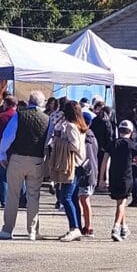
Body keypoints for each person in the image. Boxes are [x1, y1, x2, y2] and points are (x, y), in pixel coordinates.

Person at [0, 91, 50, 240]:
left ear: (29, 101)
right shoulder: (47, 119)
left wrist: (2, 154)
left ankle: (7, 230)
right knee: (33, 196)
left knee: (12, 195)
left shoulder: (19, 115)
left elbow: (8, 136)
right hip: (37, 160)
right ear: (42, 103)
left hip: (17, 159)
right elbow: (48, 141)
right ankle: (32, 231)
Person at [49, 101, 88, 241]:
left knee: (65, 197)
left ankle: (74, 227)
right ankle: (77, 227)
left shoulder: (71, 126)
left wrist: (59, 140)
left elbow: (74, 146)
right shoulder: (80, 126)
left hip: (72, 165)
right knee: (73, 198)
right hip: (80, 164)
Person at [109, 120, 137, 241]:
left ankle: (124, 227)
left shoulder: (113, 143)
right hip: (126, 176)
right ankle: (116, 227)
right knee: (122, 203)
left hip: (113, 176)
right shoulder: (133, 145)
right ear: (131, 132)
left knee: (119, 202)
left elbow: (105, 160)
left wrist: (102, 177)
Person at [0, 95, 20, 208]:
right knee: (19, 176)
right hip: (17, 151)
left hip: (1, 150)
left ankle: (5, 201)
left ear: (6, 104)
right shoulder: (20, 118)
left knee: (2, 176)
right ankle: (22, 199)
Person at [78, 124, 99, 237]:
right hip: (92, 170)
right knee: (83, 199)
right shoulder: (92, 137)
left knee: (84, 199)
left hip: (86, 172)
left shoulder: (85, 138)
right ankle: (86, 225)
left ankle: (88, 227)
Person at [91, 103, 115, 188]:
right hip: (104, 147)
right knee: (104, 165)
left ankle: (95, 180)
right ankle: (102, 182)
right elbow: (109, 136)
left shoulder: (95, 120)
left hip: (94, 145)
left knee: (95, 164)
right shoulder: (107, 122)